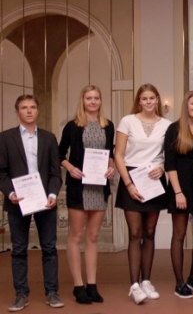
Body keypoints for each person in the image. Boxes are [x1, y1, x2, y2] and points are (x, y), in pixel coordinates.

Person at [0, 95, 64, 311]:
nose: (29, 111)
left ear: (38, 111)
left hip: (45, 201)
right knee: (18, 249)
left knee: (49, 248)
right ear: (16, 112)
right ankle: (21, 295)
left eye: (32, 107)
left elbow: (56, 173)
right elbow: (1, 173)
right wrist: (10, 194)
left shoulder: (49, 138)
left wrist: (53, 195)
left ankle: (52, 293)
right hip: (18, 202)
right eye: (24, 108)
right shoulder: (5, 138)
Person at [114, 84, 171, 304]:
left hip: (154, 179)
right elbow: (118, 155)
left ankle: (147, 280)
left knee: (149, 232)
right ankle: (135, 285)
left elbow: (170, 155)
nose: (148, 102)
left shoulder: (166, 125)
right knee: (135, 233)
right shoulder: (127, 121)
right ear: (139, 101)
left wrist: (163, 167)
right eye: (144, 98)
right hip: (132, 178)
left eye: (151, 98)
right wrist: (128, 184)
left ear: (157, 100)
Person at [58, 85, 115, 305]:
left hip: (99, 188)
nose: (93, 101)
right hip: (78, 188)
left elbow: (110, 153)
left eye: (96, 98)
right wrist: (70, 167)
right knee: (76, 236)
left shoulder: (108, 126)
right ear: (82, 101)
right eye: (89, 98)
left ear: (101, 101)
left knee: (93, 236)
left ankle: (92, 284)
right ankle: (78, 285)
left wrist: (111, 168)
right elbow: (59, 154)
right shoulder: (72, 127)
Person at [163, 91, 193, 299]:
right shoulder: (174, 129)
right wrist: (178, 193)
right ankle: (179, 282)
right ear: (186, 105)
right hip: (180, 185)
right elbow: (170, 164)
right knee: (179, 234)